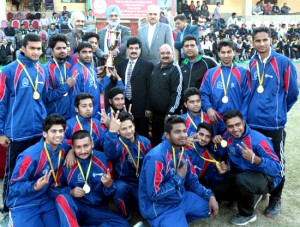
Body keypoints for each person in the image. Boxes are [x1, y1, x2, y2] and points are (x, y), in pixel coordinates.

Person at [248, 26, 299, 217]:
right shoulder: (252, 63)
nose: (261, 44)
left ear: (271, 41)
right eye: (257, 41)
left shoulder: (283, 62)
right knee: (255, 159)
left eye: (265, 40)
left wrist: (278, 111)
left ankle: (276, 197)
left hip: (274, 124)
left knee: (277, 161)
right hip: (253, 123)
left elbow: (292, 92)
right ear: (253, 42)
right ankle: (261, 192)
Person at [138, 115, 219, 227]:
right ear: (166, 135)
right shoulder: (156, 157)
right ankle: (159, 222)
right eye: (177, 132)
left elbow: (192, 181)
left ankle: (177, 218)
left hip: (180, 198)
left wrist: (210, 195)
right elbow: (154, 194)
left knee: (210, 207)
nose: (183, 135)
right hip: (161, 208)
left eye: (184, 131)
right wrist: (178, 177)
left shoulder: (181, 152)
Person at [0, 34, 47, 213]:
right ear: (23, 49)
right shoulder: (9, 71)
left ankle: (31, 203)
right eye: (33, 48)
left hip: (38, 132)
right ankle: (7, 205)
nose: (36, 52)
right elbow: (1, 101)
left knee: (37, 170)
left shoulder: (42, 70)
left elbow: (44, 99)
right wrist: (0, 132)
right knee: (13, 173)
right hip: (17, 133)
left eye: (39, 48)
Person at [213, 110, 282, 225]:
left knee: (242, 180)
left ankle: (247, 214)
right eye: (230, 126)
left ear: (244, 123)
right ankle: (251, 196)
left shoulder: (258, 140)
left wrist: (256, 159)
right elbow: (221, 154)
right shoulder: (228, 137)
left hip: (266, 178)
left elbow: (276, 168)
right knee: (218, 188)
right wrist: (220, 159)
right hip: (243, 174)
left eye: (238, 124)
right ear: (226, 127)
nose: (235, 129)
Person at [49, 130, 130, 227]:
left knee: (123, 224)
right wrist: (71, 192)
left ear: (92, 144)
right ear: (73, 148)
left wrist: (109, 186)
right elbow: (52, 190)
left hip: (99, 210)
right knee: (62, 198)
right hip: (78, 208)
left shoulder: (103, 159)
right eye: (78, 147)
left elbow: (110, 192)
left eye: (86, 146)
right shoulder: (67, 164)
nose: (83, 151)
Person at [6, 114, 69, 226]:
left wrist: (72, 152)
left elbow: (75, 143)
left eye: (61, 131)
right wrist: (34, 186)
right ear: (45, 134)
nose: (58, 135)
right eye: (53, 131)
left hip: (45, 199)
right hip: (24, 202)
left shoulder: (62, 146)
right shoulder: (29, 156)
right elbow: (14, 186)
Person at [104, 112, 152, 220]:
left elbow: (151, 166)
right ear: (118, 131)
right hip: (124, 183)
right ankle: (125, 217)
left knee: (147, 213)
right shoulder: (115, 144)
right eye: (124, 129)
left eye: (130, 127)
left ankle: (137, 203)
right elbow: (109, 154)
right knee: (119, 189)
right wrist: (111, 132)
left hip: (141, 183)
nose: (129, 131)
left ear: (134, 126)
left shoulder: (145, 142)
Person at [200, 39, 250, 122]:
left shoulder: (243, 73)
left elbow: (247, 97)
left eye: (229, 52)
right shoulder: (210, 73)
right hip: (217, 119)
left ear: (234, 52)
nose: (226, 55)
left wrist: (243, 117)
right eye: (223, 52)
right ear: (219, 54)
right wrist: (208, 108)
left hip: (237, 120)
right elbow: (203, 93)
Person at [117, 36, 154, 137]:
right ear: (127, 49)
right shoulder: (121, 65)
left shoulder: (148, 66)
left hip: (141, 107)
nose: (134, 51)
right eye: (131, 48)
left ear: (140, 50)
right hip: (124, 105)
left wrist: (148, 107)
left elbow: (150, 87)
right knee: (126, 133)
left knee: (141, 133)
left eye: (136, 48)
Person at [148, 44, 182, 146]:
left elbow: (177, 93)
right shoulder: (155, 68)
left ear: (172, 54)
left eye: (168, 53)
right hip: (155, 116)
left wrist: (170, 113)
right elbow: (152, 90)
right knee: (156, 141)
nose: (165, 55)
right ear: (159, 55)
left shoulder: (175, 69)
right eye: (162, 53)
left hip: (168, 116)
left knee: (168, 143)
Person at [71, 42, 112, 119]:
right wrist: (77, 118)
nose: (88, 55)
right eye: (84, 52)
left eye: (90, 52)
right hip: (84, 116)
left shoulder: (91, 69)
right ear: (78, 54)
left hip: (95, 113)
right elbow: (74, 97)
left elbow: (97, 89)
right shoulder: (76, 71)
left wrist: (107, 76)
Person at [44, 34, 77, 119]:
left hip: (70, 115)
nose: (62, 51)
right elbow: (47, 97)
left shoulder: (68, 65)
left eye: (64, 48)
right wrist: (67, 86)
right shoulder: (46, 69)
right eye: (58, 48)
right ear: (52, 50)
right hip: (54, 117)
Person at [185, 122, 225, 188]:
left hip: (191, 188)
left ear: (210, 139)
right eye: (201, 134)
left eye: (207, 136)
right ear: (196, 134)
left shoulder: (210, 157)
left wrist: (219, 173)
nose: (203, 138)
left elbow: (208, 180)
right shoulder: (184, 145)